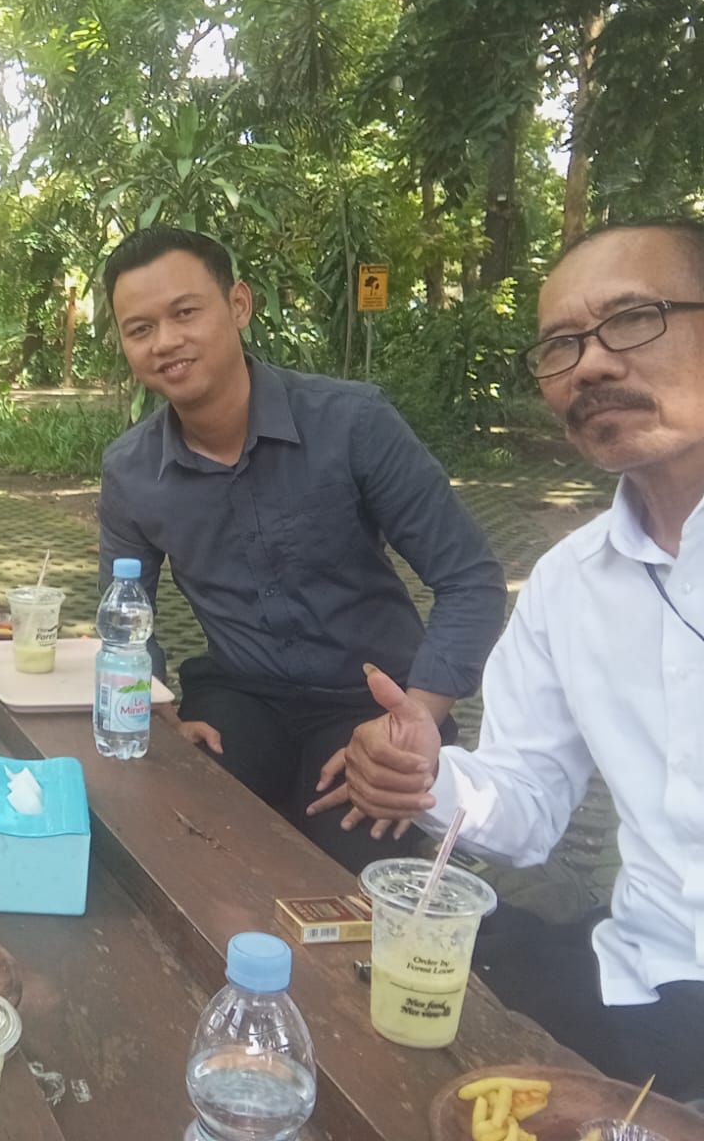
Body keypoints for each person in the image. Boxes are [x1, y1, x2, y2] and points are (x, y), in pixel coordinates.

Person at [344, 219, 704, 1103]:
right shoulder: (570, 583)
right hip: (643, 973)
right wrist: (425, 771)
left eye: (633, 319)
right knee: (367, 1028)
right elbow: (528, 799)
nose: (590, 366)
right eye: (560, 346)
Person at [97, 226, 506, 873]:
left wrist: (416, 720)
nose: (165, 341)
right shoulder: (131, 470)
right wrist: (155, 707)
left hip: (370, 703)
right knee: (188, 841)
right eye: (139, 329)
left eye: (185, 313)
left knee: (346, 880)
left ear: (238, 305)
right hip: (240, 700)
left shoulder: (353, 423)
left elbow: (471, 579)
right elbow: (124, 615)